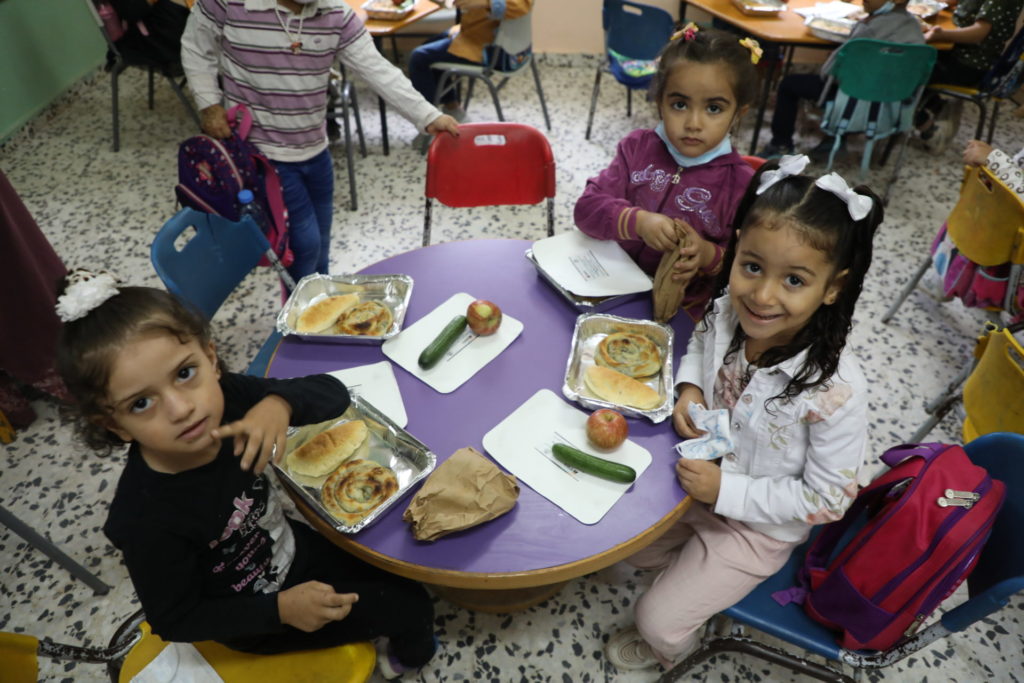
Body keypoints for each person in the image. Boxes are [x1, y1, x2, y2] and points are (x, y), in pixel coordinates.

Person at [54, 272, 435, 679]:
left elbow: (334, 394)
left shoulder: (230, 398)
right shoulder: (144, 521)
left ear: (211, 358)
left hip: (290, 545)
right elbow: (176, 619)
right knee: (413, 604)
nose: (182, 408)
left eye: (185, 373)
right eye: (142, 402)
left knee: (398, 566)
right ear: (115, 426)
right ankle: (407, 660)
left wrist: (280, 402)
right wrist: (280, 610)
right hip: (256, 620)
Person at [605, 155, 881, 672]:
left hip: (756, 528)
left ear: (834, 287)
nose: (762, 295)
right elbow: (699, 346)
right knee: (617, 552)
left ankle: (678, 648)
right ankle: (684, 569)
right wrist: (689, 387)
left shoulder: (837, 390)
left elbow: (828, 499)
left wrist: (724, 492)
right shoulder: (727, 307)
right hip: (699, 481)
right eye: (752, 266)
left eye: (794, 280)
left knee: (657, 621)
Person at [181, 0, 460, 282]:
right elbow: (195, 45)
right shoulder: (229, 4)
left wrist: (427, 115)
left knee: (321, 244)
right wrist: (208, 103)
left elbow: (377, 69)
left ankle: (316, 309)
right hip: (266, 155)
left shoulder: (335, 14)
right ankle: (300, 320)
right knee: (304, 246)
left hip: (316, 151)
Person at [574, 25, 761, 321]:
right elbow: (585, 210)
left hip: (683, 311)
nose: (693, 123)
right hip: (610, 289)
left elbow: (748, 264)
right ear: (660, 102)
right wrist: (637, 221)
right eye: (679, 104)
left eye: (713, 108)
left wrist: (706, 255)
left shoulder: (740, 184)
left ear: (738, 114)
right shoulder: (636, 148)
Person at [758, 0, 925, 161]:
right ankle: (834, 141)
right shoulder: (916, 28)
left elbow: (830, 73)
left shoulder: (868, 29)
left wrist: (834, 58)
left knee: (789, 84)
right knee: (858, 83)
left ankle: (781, 145)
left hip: (852, 103)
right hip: (890, 108)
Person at [917, 0, 1024, 151]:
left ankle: (928, 126)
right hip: (958, 53)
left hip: (970, 64)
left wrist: (939, 33)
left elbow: (979, 32)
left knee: (908, 70)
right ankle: (938, 108)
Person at [407, 0, 534, 124]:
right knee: (429, 47)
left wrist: (486, 3)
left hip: (490, 49)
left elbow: (521, 6)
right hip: (478, 33)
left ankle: (429, 123)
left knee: (419, 58)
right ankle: (452, 107)